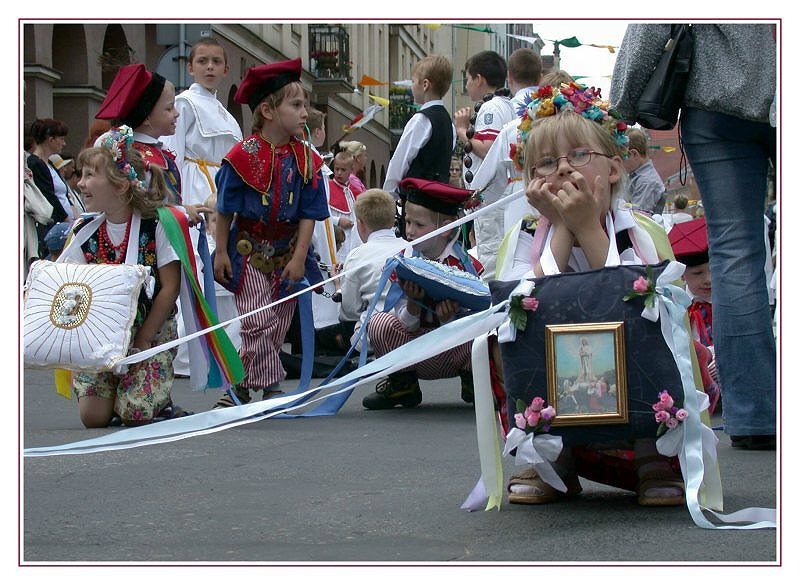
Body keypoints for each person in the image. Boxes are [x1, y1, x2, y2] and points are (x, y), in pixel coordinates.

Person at [501, 83, 686, 506]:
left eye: (580, 156)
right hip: (555, 379)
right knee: (518, 331)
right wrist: (561, 227)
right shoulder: (524, 237)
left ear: (615, 169)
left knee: (644, 329)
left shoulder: (641, 231)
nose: (563, 170)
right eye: (547, 163)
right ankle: (553, 456)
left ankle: (650, 452)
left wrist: (587, 227)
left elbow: (644, 303)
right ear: (531, 182)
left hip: (637, 379)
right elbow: (522, 309)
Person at [611, 23, 776, 450]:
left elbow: (654, 23)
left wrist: (619, 108)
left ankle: (756, 415)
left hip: (722, 95)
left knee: (735, 250)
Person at [211, 58, 329, 408]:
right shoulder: (241, 156)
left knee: (276, 326)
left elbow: (310, 214)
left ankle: (241, 390)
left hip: (288, 254)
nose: (305, 113)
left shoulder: (307, 160)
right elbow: (224, 209)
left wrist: (298, 258)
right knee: (257, 319)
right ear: (267, 110)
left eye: (304, 105)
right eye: (296, 105)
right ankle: (272, 386)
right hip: (248, 252)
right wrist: (219, 252)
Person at [62, 127, 186, 428]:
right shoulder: (85, 231)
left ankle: (153, 397)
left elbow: (170, 288)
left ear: (119, 185)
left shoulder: (155, 225)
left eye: (91, 175)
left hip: (149, 334)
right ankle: (119, 394)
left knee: (135, 414)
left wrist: (143, 339)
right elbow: (65, 283)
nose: (81, 183)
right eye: (81, 175)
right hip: (101, 339)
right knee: (93, 418)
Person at [362, 178, 482, 410]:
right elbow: (400, 322)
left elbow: (478, 314)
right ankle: (403, 384)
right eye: (407, 222)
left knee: (486, 329)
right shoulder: (405, 261)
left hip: (454, 352)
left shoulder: (466, 266)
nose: (409, 231)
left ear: (446, 229)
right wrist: (414, 306)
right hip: (416, 352)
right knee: (378, 322)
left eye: (419, 225)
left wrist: (450, 318)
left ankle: (474, 381)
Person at [468, 49, 544, 279]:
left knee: (510, 260)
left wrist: (474, 201)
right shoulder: (556, 109)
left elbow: (491, 174)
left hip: (515, 194)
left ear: (509, 75)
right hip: (550, 193)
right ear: (540, 77)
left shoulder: (509, 113)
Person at [160, 37, 243, 207]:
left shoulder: (229, 117)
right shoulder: (184, 103)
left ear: (226, 70)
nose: (210, 66)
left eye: (216, 61)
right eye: (202, 61)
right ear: (190, 68)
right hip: (193, 187)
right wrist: (174, 201)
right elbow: (171, 152)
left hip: (223, 188)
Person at [94, 64, 185, 208]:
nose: (176, 113)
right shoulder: (132, 156)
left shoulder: (156, 151)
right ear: (146, 117)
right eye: (169, 108)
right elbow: (151, 206)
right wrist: (184, 212)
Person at [338, 188, 408, 351]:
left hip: (373, 336)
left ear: (360, 224)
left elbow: (349, 311)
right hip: (411, 331)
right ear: (393, 220)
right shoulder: (409, 248)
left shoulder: (356, 256)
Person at [382, 55, 455, 200]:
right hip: (440, 200)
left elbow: (400, 162)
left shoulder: (421, 120)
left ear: (425, 85)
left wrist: (388, 196)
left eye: (413, 81)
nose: (411, 86)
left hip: (417, 199)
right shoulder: (449, 124)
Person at [668, 217, 721, 414]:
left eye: (712, 271)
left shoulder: (729, 304)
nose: (707, 280)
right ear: (682, 276)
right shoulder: (679, 306)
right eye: (697, 273)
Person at [453, 50, 514, 187]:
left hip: (489, 195)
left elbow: (488, 150)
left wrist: (462, 130)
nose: (467, 85)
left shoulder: (491, 107)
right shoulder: (504, 104)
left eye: (468, 79)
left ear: (478, 79)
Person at [27, 118, 79, 257]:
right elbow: (48, 196)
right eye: (61, 139)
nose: (64, 143)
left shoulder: (49, 163)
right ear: (51, 140)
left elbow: (64, 193)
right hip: (53, 227)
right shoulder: (34, 163)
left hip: (64, 224)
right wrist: (67, 219)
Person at [327, 150, 365, 261]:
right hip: (336, 237)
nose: (339, 173)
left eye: (343, 170)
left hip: (353, 239)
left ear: (351, 170)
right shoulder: (327, 188)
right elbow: (322, 217)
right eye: (336, 169)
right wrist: (338, 221)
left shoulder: (356, 189)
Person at [622, 127, 666, 214]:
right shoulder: (634, 175)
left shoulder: (647, 182)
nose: (619, 164)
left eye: (621, 158)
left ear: (634, 154)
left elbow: (637, 218)